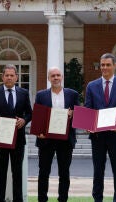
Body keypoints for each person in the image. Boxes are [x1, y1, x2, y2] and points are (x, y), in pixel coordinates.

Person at [84, 53, 116, 202]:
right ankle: (97, 199)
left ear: (114, 66)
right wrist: (87, 125)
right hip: (97, 136)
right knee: (98, 171)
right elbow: (88, 108)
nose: (104, 68)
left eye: (108, 65)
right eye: (102, 65)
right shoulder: (92, 86)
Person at [0, 64, 32, 202]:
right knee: (1, 174)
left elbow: (30, 113)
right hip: (0, 140)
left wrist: (24, 120)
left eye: (12, 75)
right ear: (2, 77)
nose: (9, 78)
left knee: (17, 173)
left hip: (18, 140)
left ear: (16, 77)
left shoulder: (24, 93)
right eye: (7, 75)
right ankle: (0, 200)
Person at [34, 67, 79, 202]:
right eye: (53, 76)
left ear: (62, 77)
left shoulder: (72, 94)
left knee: (64, 173)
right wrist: (38, 132)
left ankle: (63, 199)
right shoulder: (41, 95)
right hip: (46, 139)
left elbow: (79, 114)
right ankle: (42, 199)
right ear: (49, 78)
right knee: (43, 173)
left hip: (66, 140)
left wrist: (73, 114)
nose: (56, 78)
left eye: (58, 75)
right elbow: (38, 116)